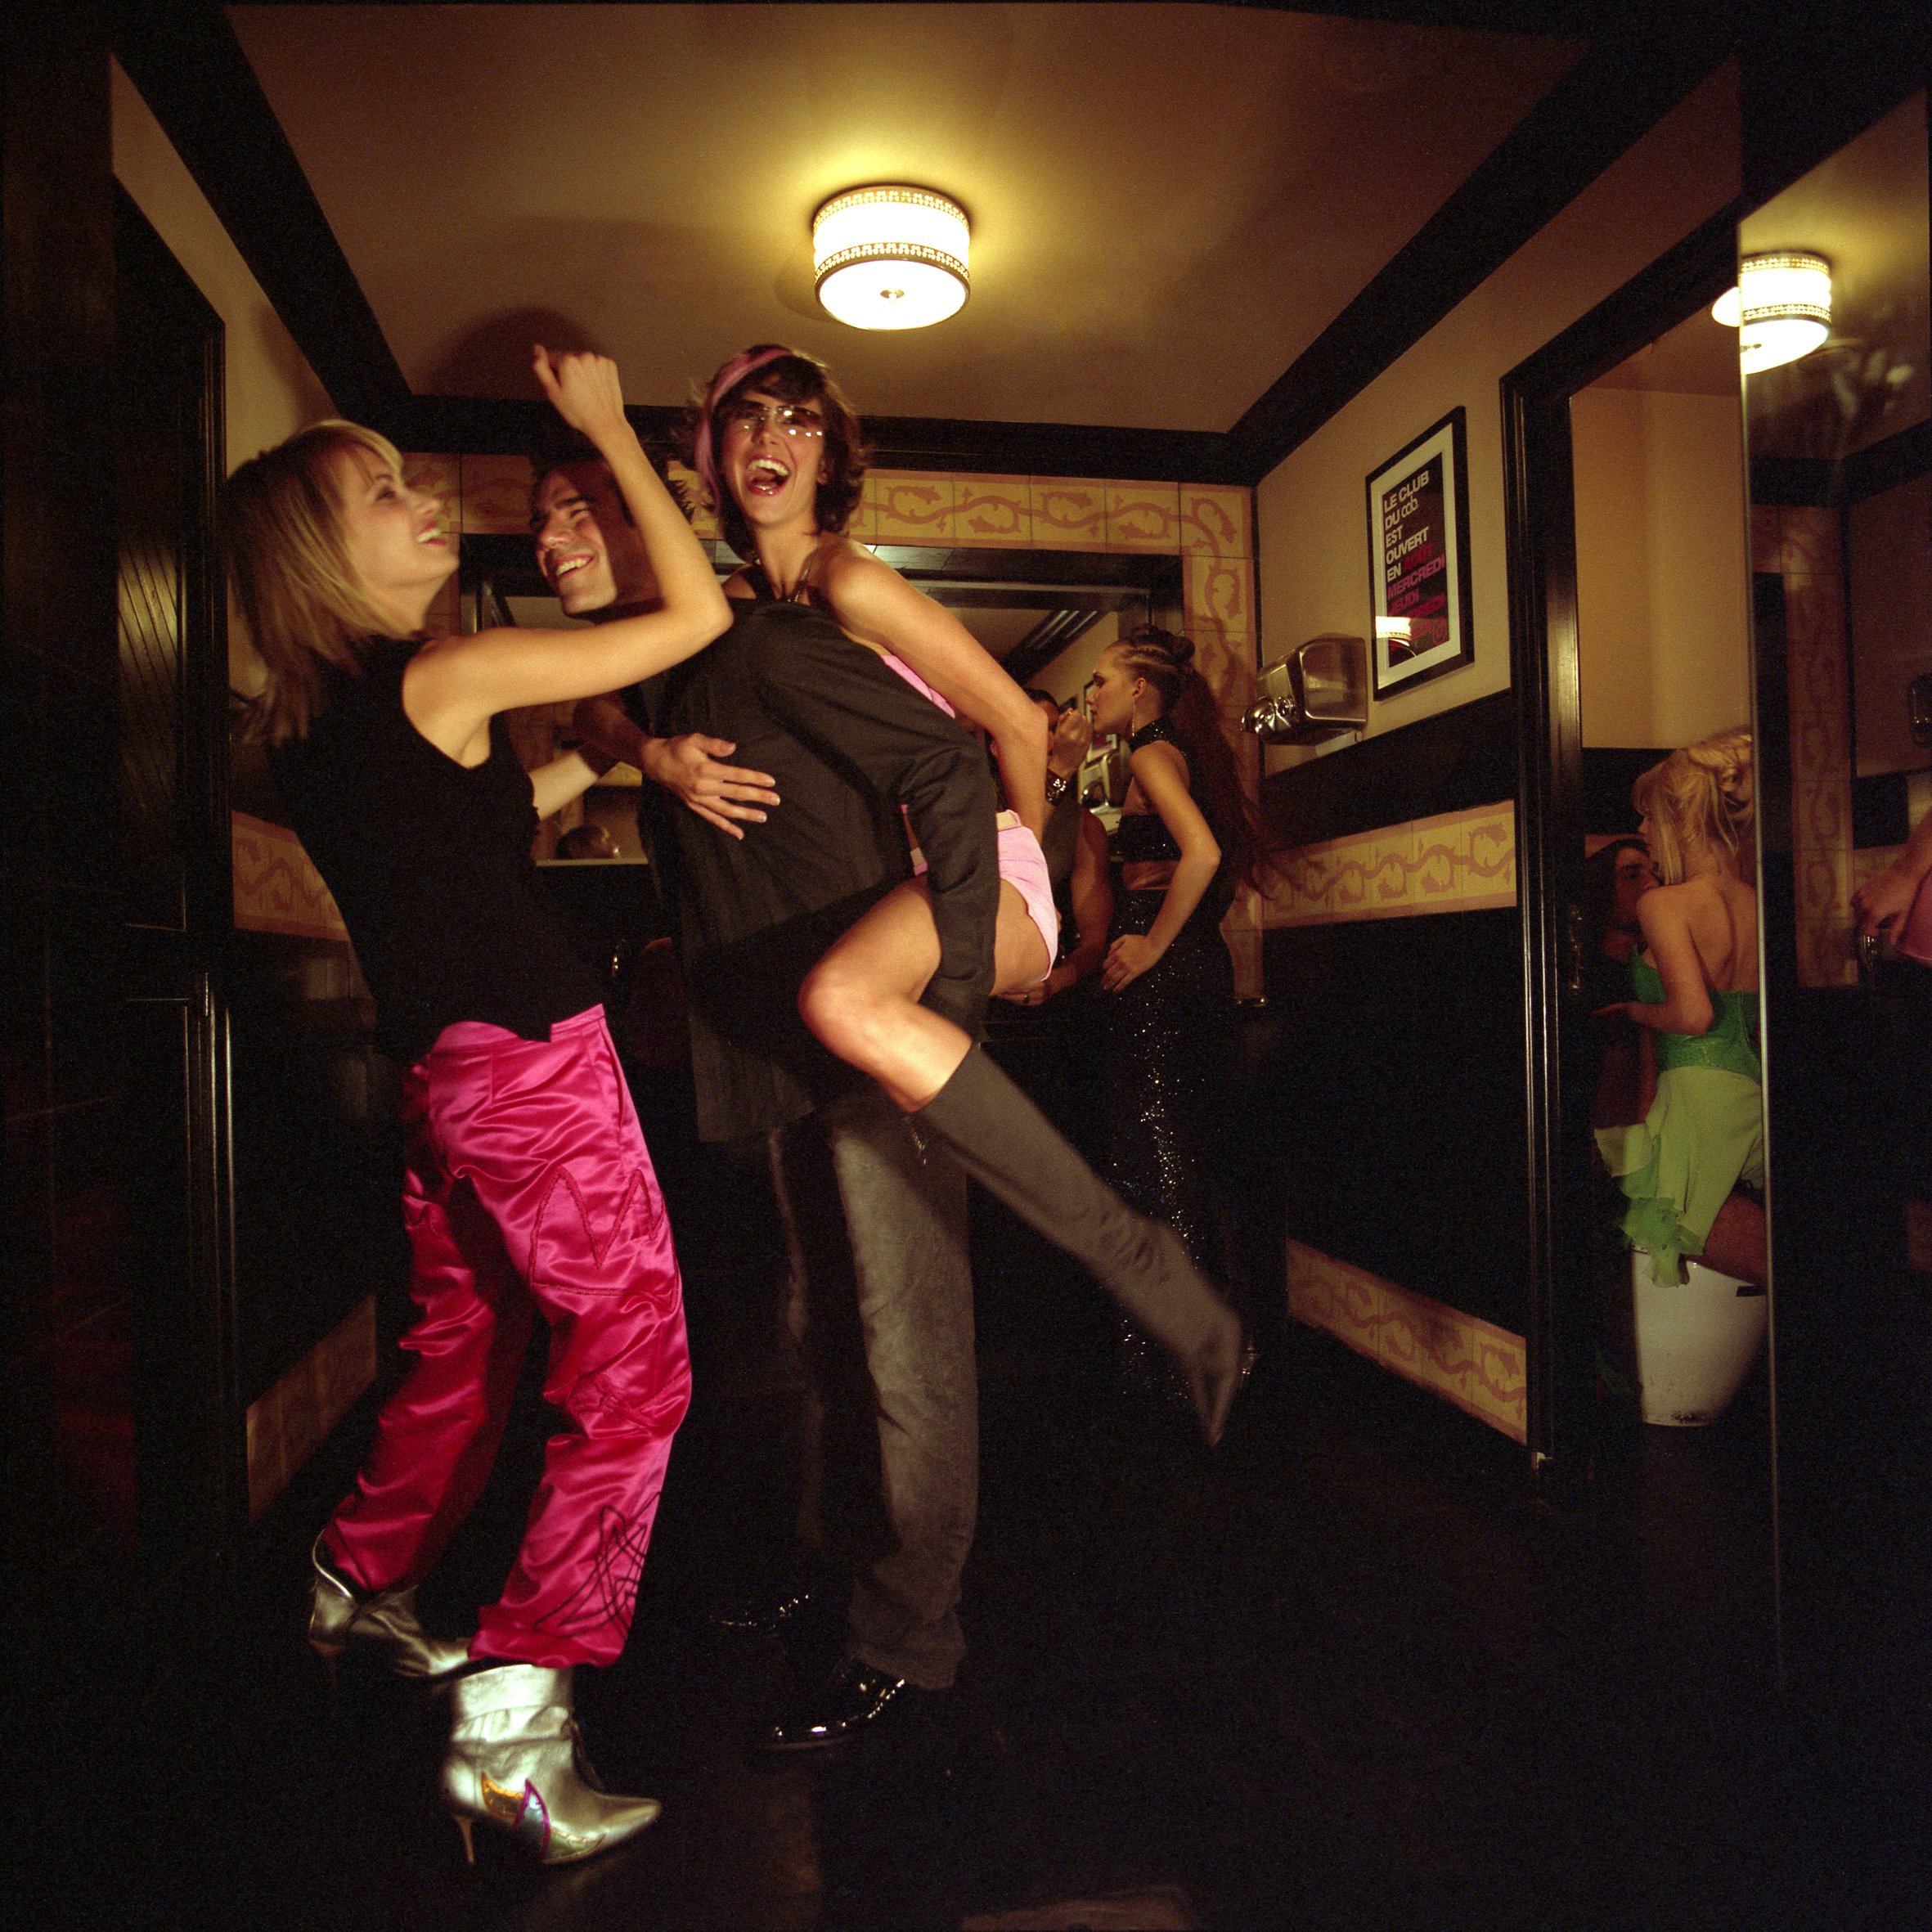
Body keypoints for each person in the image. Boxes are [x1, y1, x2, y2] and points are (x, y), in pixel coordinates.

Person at [568, 345, 1243, 1749]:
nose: (770, 439)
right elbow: (606, 700)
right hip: (820, 986)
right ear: (712, 455)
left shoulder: (846, 581)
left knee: (906, 1333)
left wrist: (1014, 912)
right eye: (746, 419)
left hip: (930, 938)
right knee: (830, 1331)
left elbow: (1009, 729)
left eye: (799, 422)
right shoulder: (739, 613)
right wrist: (653, 753)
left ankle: (910, 1631)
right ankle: (838, 1575)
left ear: (831, 459)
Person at [229, 348, 730, 1863]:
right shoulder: (437, 676)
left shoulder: (324, 729)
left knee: (465, 1347)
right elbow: (694, 613)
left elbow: (495, 820)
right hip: (532, 1060)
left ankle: (352, 1590)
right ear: (324, 553)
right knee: (636, 1373)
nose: (424, 498)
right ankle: (516, 1723)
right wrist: (599, 434)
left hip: (445, 1080)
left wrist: (629, 757)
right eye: (384, 493)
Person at [1083, 627, 1278, 1342]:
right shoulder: (1176, 752)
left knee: (1158, 1151)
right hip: (1191, 967)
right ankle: (1202, 1338)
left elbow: (1203, 852)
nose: (1091, 695)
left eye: (1100, 680)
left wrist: (1151, 944)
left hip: (1164, 973)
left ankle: (1190, 1347)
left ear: (1140, 688)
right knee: (1177, 1147)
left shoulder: (1151, 750)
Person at [1593, 731, 1765, 1287]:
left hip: (1696, 1096)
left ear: (1676, 817)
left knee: (1687, 1227)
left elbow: (1693, 1017)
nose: (1643, 831)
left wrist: (1633, 1011)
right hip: (1750, 1089)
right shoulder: (1754, 899)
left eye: (1648, 818)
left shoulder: (1663, 904)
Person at [1000, 690, 1113, 1011]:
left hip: (1046, 993)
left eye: (1055, 729)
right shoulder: (978, 803)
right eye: (1038, 730)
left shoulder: (1082, 825)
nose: (1053, 741)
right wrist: (1061, 769)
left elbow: (1096, 939)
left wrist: (1058, 981)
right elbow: (1004, 863)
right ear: (998, 746)